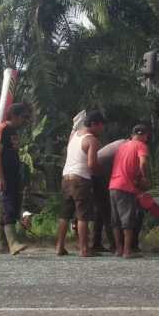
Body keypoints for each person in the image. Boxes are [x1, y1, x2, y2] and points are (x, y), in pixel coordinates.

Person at [55, 110, 106, 257]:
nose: (102, 129)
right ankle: (84, 249)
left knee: (65, 215)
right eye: (101, 126)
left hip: (66, 177)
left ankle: (59, 246)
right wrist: (102, 172)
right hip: (81, 179)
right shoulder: (91, 140)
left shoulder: (74, 136)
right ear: (94, 124)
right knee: (83, 215)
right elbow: (92, 164)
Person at [0, 102, 30, 255]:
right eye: (23, 117)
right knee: (8, 206)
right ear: (14, 115)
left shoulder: (14, 131)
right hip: (5, 175)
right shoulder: (2, 129)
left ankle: (1, 244)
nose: (25, 120)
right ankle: (13, 242)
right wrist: (0, 177)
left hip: (14, 174)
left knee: (10, 205)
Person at [109, 124, 151, 259]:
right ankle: (127, 251)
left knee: (116, 220)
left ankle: (119, 250)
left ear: (132, 135)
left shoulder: (122, 146)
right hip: (126, 187)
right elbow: (143, 162)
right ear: (144, 136)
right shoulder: (141, 145)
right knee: (128, 220)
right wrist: (144, 178)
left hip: (113, 186)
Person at [93, 139, 127, 253]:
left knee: (100, 211)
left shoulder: (120, 143)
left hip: (93, 175)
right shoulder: (126, 147)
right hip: (98, 176)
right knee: (108, 211)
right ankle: (115, 245)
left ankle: (96, 243)